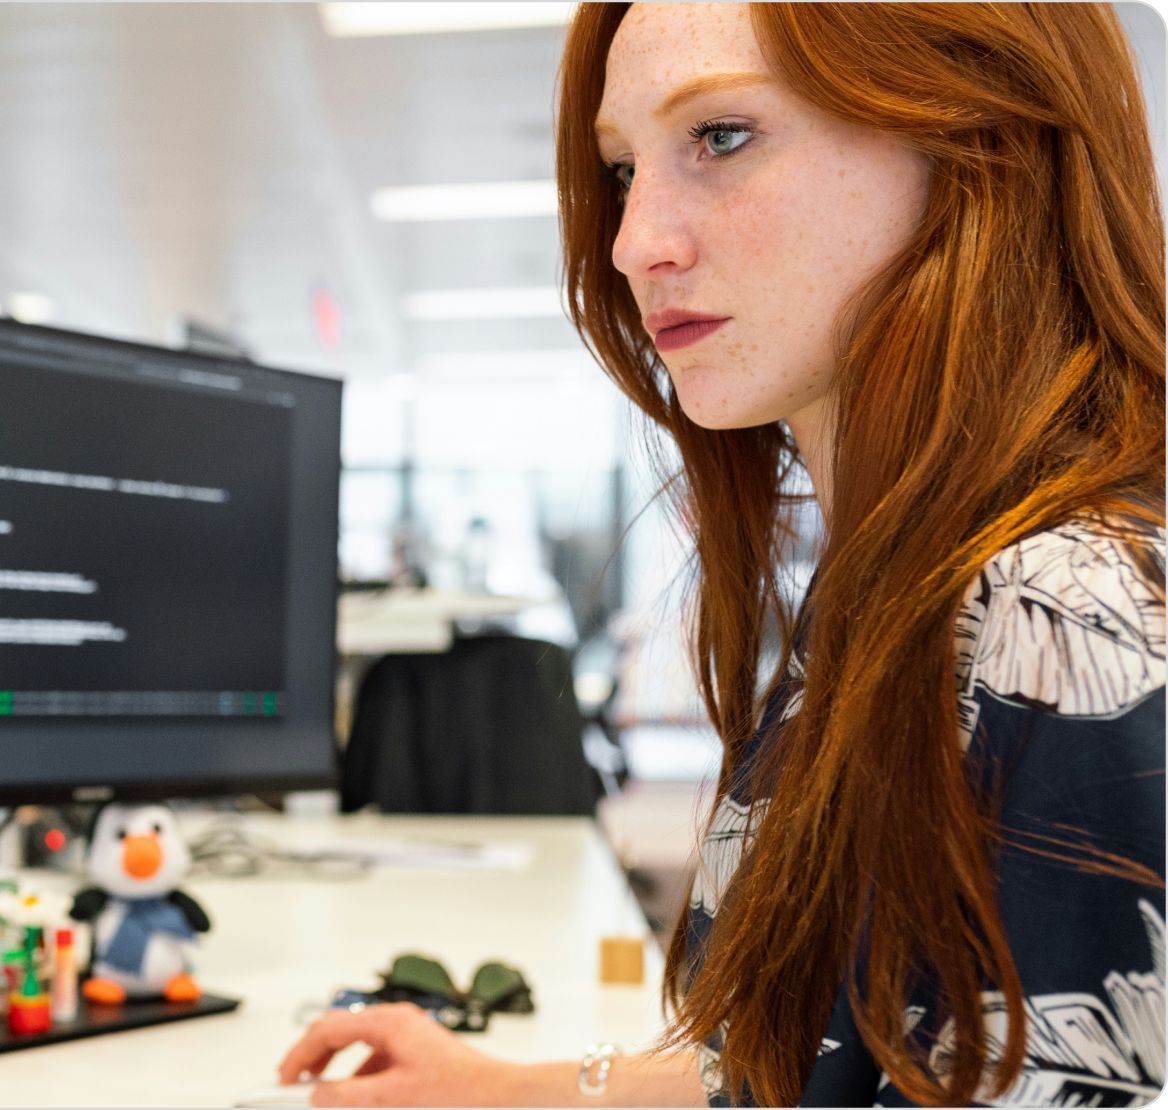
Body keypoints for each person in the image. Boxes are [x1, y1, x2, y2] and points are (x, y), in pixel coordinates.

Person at [279, 4, 1165, 1105]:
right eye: (620, 170)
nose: (632, 241)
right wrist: (500, 1087)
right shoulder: (900, 583)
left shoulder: (1065, 608)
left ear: (977, 138)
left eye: (722, 137)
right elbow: (816, 1067)